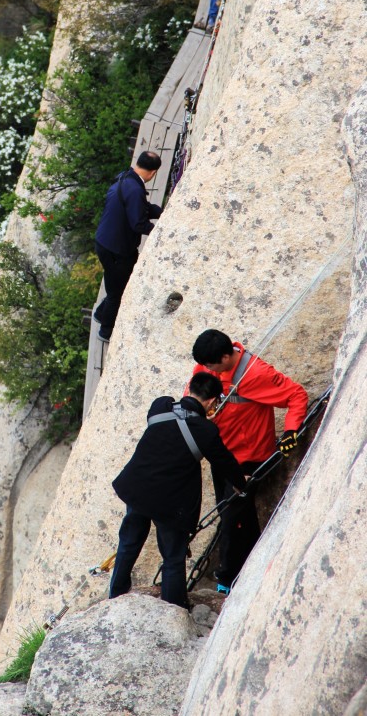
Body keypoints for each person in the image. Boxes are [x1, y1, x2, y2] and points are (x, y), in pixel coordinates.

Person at [109, 372, 247, 607]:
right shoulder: (205, 431)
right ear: (213, 402)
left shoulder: (160, 406)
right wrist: (241, 483)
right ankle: (173, 609)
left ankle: (115, 596)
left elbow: (168, 432)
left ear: (188, 389)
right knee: (173, 557)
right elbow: (225, 463)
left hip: (138, 489)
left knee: (128, 543)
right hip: (170, 503)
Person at [191, 329, 308, 593]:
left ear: (225, 356)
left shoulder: (256, 374)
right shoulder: (207, 364)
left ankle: (227, 580)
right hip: (221, 453)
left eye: (210, 365)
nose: (205, 369)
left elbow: (296, 395)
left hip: (247, 458)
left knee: (232, 517)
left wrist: (291, 430)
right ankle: (254, 564)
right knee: (234, 513)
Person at [94, 151, 163, 342]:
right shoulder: (135, 189)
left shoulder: (126, 178)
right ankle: (106, 331)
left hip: (105, 241)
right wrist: (161, 231)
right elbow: (138, 224)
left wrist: (160, 212)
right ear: (153, 172)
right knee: (118, 290)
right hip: (117, 248)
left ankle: (100, 313)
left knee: (113, 281)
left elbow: (138, 207)